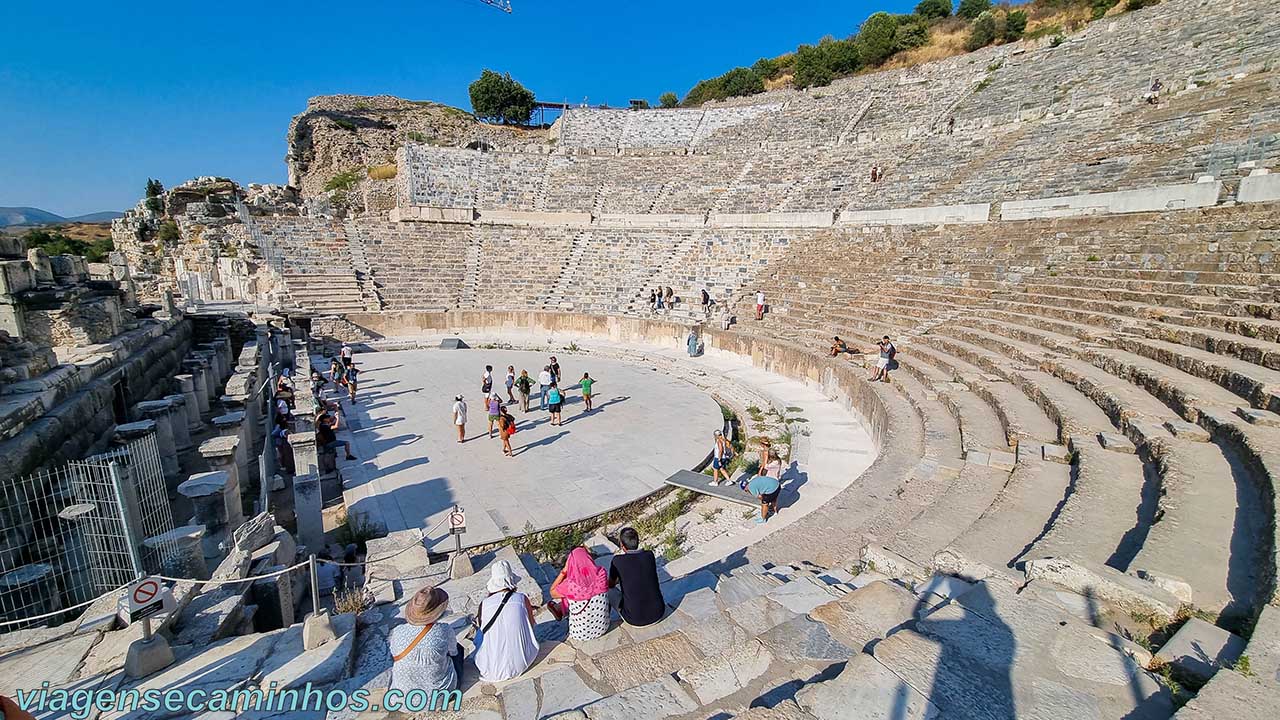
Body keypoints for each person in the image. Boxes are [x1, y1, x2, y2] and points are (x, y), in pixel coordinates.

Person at [388, 585, 463, 695]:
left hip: (400, 699)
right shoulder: (444, 630)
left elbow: (394, 654)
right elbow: (453, 652)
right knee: (458, 650)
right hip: (439, 697)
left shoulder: (397, 631)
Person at [473, 560, 539, 683]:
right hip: (521, 663)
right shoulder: (522, 598)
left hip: (489, 668)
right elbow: (531, 623)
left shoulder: (484, 604)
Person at [547, 547, 610, 641]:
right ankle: (559, 609)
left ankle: (560, 609)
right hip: (603, 628)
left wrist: (564, 571)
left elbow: (552, 592)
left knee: (566, 595)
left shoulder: (570, 584)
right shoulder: (601, 574)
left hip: (579, 635)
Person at [608, 527, 664, 627]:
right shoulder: (649, 555)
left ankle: (604, 621)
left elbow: (611, 584)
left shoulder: (617, 561)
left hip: (634, 619)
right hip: (659, 613)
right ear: (638, 541)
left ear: (622, 545)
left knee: (608, 591)